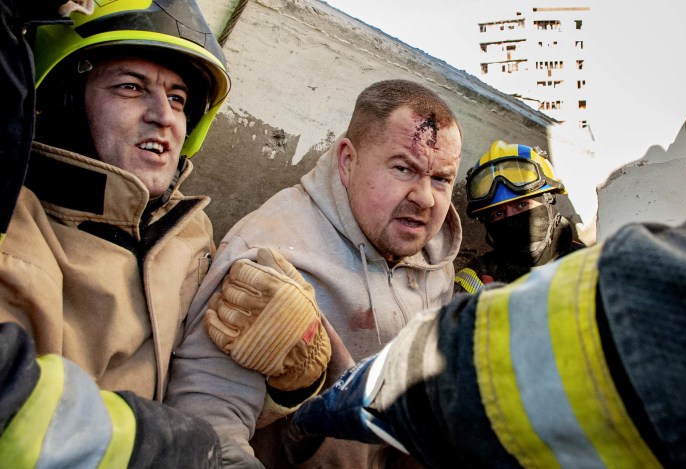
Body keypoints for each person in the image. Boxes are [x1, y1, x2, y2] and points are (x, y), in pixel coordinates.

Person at [282, 17, 686, 468]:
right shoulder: (471, 276)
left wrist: (324, 409)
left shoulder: (606, 264)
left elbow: (454, 370)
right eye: (499, 215)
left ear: (552, 203)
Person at [0, 0, 260, 466]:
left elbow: (204, 386)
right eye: (130, 87)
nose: (164, 115)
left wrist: (281, 380)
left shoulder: (189, 232)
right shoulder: (15, 236)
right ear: (60, 99)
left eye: (178, 98)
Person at [167, 79, 464, 468]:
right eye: (404, 168)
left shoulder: (435, 260)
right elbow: (207, 424)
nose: (425, 198)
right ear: (347, 160)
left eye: (441, 179)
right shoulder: (269, 256)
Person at [454, 140, 585, 293]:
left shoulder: (589, 261)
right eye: (498, 213)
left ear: (548, 200)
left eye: (522, 205)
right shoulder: (474, 281)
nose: (512, 219)